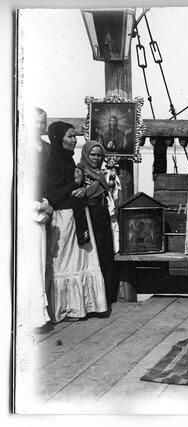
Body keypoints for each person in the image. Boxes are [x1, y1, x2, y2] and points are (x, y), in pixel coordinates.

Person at [43, 122, 107, 322]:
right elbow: (52, 194)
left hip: (76, 214)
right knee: (65, 262)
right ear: (57, 138)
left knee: (80, 260)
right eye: (70, 136)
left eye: (74, 136)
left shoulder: (69, 160)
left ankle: (82, 306)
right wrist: (75, 183)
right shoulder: (53, 161)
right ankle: (66, 309)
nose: (74, 140)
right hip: (63, 218)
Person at [21, 107, 53, 328]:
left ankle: (38, 317)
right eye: (36, 122)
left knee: (40, 262)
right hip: (28, 207)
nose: (40, 126)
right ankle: (26, 317)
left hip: (44, 205)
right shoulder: (20, 147)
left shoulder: (48, 149)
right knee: (28, 263)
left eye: (43, 122)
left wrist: (47, 204)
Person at [76, 140, 118, 305]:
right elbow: (74, 191)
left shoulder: (102, 173)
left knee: (105, 252)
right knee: (91, 255)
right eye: (92, 154)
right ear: (86, 154)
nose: (95, 158)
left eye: (99, 155)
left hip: (101, 213)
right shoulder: (79, 171)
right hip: (88, 214)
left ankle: (107, 295)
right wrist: (84, 191)